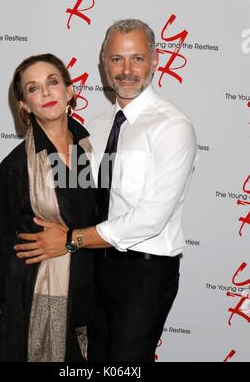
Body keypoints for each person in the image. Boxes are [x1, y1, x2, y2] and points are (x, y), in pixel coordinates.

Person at [15, 19, 197, 362]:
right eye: (116, 59)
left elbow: (150, 219)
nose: (126, 70)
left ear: (155, 60)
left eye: (137, 59)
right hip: (93, 266)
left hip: (143, 272)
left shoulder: (173, 128)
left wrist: (70, 239)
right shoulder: (94, 128)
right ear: (103, 63)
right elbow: (78, 197)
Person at [0, 53, 98, 362]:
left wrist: (69, 240)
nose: (46, 93)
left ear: (70, 91)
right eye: (33, 88)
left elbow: (95, 220)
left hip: (89, 295)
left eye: (52, 82)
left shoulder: (90, 150)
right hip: (35, 300)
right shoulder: (17, 165)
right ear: (24, 104)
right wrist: (3, 313)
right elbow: (0, 246)